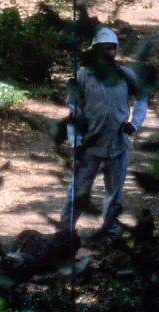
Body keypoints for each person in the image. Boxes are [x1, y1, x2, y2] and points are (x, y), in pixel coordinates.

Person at [59, 26, 148, 240]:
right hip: (89, 143)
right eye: (104, 49)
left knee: (114, 191)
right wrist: (75, 141)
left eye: (112, 49)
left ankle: (109, 227)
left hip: (117, 141)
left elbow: (142, 97)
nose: (108, 53)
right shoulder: (82, 76)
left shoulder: (125, 75)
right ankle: (64, 231)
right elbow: (74, 110)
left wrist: (134, 123)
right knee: (79, 189)